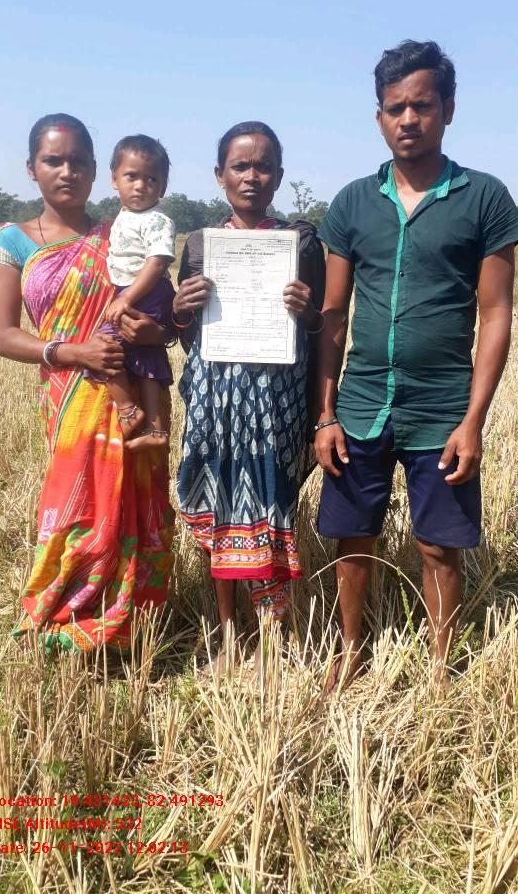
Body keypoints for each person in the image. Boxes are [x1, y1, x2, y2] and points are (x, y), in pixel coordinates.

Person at [315, 40, 518, 691]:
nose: (409, 119)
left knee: (439, 544)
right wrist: (325, 413)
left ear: (448, 109)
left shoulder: (484, 198)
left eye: (423, 105)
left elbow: (496, 313)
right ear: (379, 116)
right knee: (353, 537)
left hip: (443, 405)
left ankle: (440, 666)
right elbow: (333, 315)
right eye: (395, 107)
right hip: (361, 402)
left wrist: (473, 421)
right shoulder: (352, 202)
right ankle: (352, 652)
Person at [0, 113, 175, 652]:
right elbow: (3, 336)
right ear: (32, 168)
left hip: (132, 396)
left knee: (135, 505)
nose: (66, 171)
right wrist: (73, 351)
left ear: (97, 172)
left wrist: (155, 331)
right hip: (69, 396)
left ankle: (130, 622)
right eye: (53, 160)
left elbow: (162, 318)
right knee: (77, 507)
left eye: (77, 162)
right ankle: (65, 615)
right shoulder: (13, 240)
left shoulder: (123, 233)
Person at [173, 121, 325, 674]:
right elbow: (188, 338)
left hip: (277, 404)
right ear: (220, 176)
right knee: (219, 511)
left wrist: (307, 311)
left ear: (279, 177)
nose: (252, 176)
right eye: (240, 166)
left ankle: (271, 639)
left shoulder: (302, 243)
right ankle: (228, 634)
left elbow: (320, 330)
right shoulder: (199, 245)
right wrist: (181, 309)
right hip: (215, 402)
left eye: (263, 166)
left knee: (270, 509)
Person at [88, 134, 176, 452]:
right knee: (147, 354)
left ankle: (128, 410)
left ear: (163, 187)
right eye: (131, 176)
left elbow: (157, 262)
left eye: (151, 179)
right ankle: (157, 429)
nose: (141, 186)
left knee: (102, 347)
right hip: (136, 291)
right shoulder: (124, 218)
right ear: (114, 180)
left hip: (145, 291)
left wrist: (126, 298)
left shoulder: (157, 221)